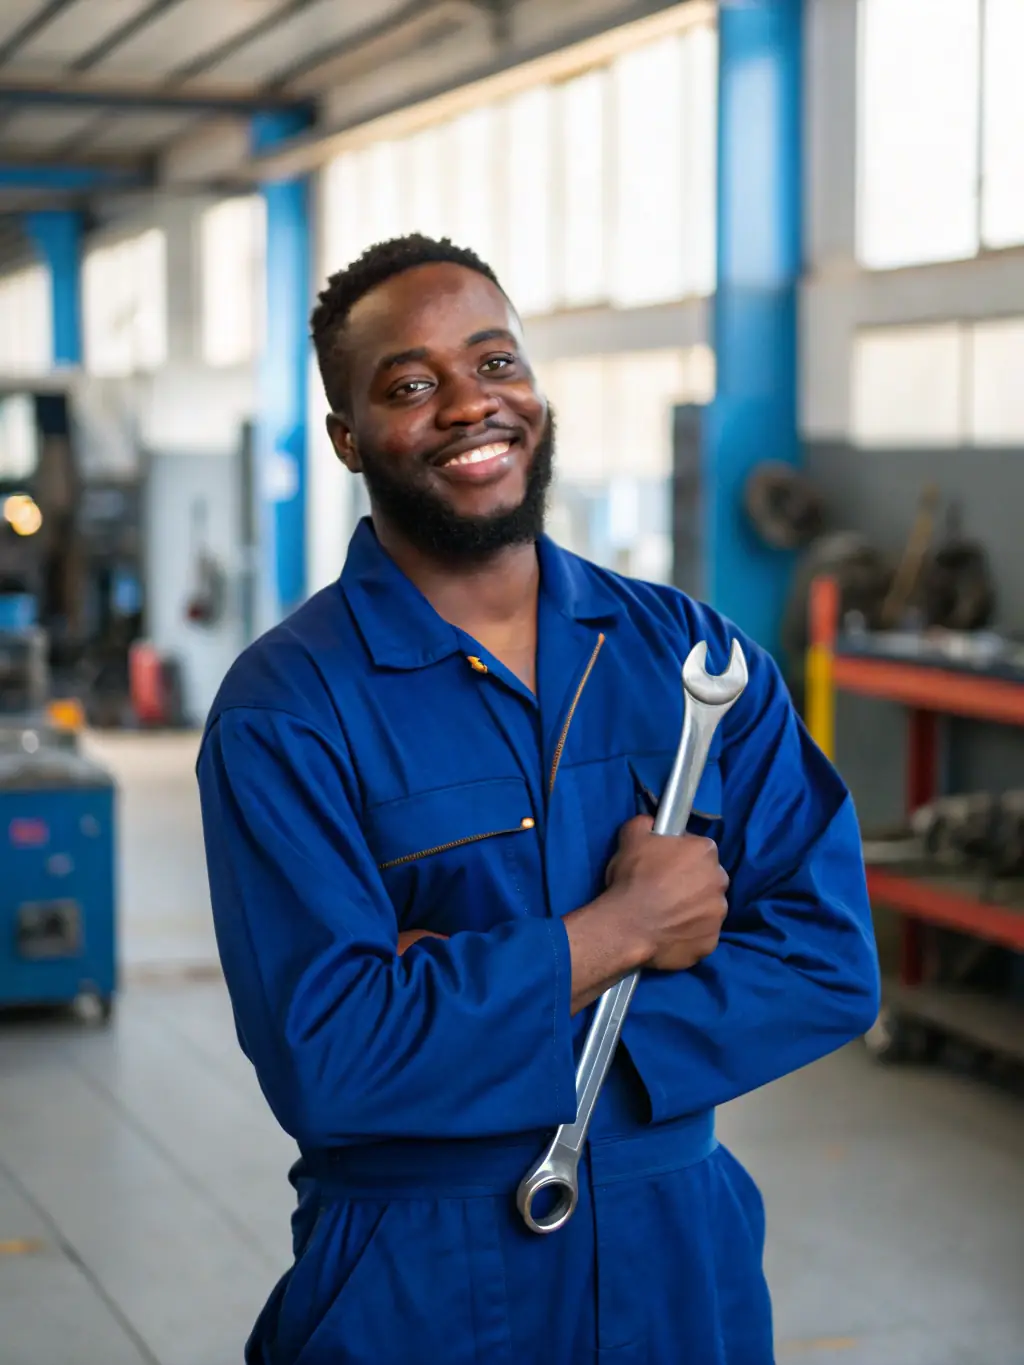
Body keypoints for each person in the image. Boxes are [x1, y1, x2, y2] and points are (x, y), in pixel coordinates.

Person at [197, 234, 880, 1365]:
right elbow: (331, 1063)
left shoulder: (688, 657)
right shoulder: (288, 709)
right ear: (347, 438)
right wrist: (620, 935)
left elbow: (826, 963)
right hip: (413, 1276)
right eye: (410, 385)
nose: (470, 405)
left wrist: (464, 1008)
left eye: (496, 362)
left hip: (677, 1255)